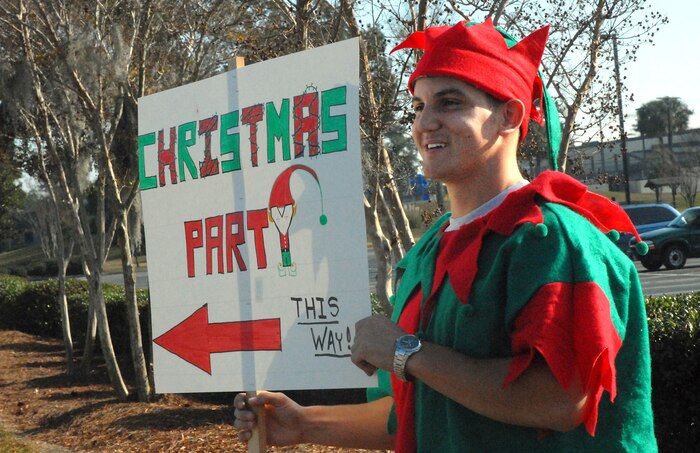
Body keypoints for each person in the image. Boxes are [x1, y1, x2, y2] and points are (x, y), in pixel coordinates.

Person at [234, 18, 657, 452]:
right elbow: (414, 411)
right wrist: (304, 425)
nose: (424, 124)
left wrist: (407, 352)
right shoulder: (427, 250)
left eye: (449, 103)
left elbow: (559, 399)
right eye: (417, 107)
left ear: (509, 115)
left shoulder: (551, 239)